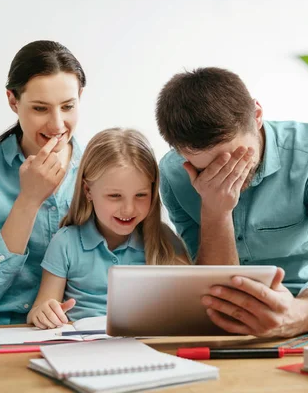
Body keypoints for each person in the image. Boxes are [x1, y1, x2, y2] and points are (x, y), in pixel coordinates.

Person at [156, 67, 308, 338]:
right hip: (225, 325)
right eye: (207, 169)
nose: (224, 175)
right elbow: (213, 288)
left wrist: (295, 314)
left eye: (233, 158)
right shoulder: (175, 174)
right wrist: (216, 212)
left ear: (256, 116)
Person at [0, 41, 86, 325]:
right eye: (40, 108)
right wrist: (28, 201)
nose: (58, 124)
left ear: (80, 97)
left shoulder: (99, 168)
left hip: (80, 334)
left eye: (68, 106)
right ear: (13, 101)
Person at [27, 128, 190, 329]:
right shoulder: (65, 242)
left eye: (140, 195)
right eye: (115, 196)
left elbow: (188, 308)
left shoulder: (164, 241)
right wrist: (44, 312)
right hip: (80, 347)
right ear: (88, 191)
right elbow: (39, 308)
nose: (128, 209)